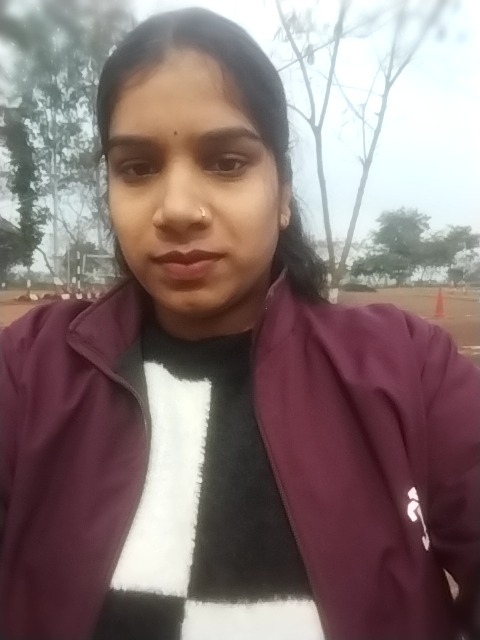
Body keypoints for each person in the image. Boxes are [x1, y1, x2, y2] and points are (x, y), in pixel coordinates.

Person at [0, 7, 479, 640]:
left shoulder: (410, 367)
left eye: (227, 162)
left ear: (283, 196)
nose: (177, 209)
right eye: (137, 168)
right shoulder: (27, 371)